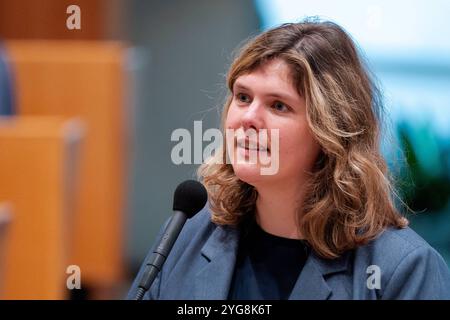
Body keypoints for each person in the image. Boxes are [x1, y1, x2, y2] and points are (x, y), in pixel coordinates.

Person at [128, 19, 450, 300]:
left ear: (331, 133)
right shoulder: (186, 233)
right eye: (243, 97)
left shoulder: (404, 270)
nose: (248, 118)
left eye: (278, 105)